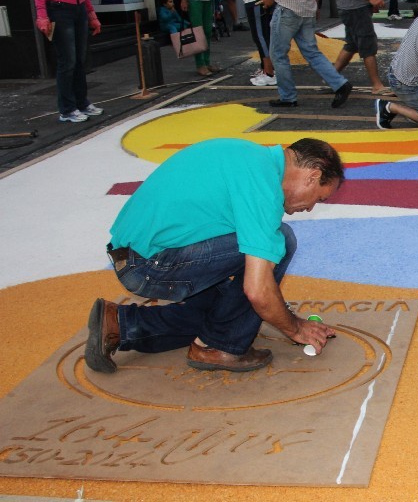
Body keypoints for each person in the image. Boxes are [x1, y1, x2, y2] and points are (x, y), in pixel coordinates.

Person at [84, 138, 342, 374]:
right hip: (149, 264)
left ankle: (120, 324)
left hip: (135, 254)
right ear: (313, 176)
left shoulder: (250, 157)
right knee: (281, 240)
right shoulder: (263, 186)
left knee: (223, 312)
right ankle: (219, 347)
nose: (310, 208)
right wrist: (295, 328)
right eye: (319, 198)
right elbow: (258, 291)